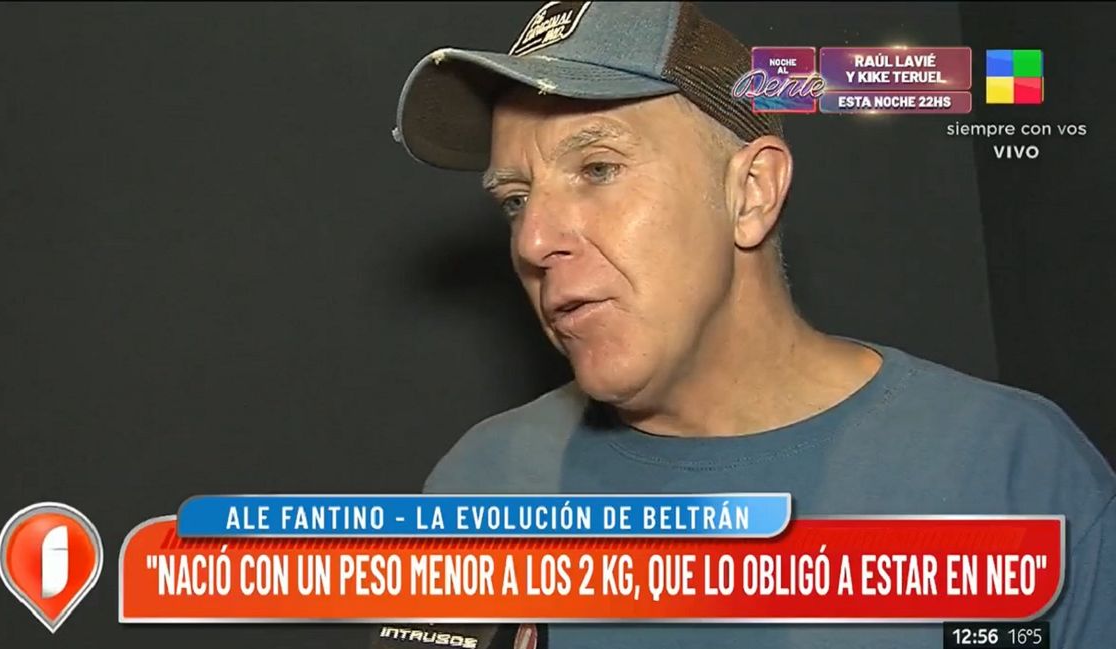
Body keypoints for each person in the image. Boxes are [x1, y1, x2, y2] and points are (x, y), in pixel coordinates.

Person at [391, 2, 1116, 647]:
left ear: (752, 193)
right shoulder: (482, 488)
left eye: (598, 169)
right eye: (516, 200)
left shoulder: (1012, 469)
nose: (533, 240)